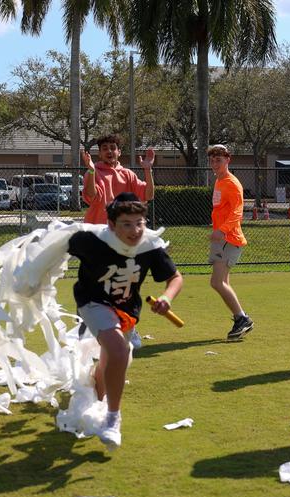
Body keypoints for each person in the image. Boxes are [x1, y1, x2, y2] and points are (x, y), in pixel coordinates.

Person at [67, 192, 183, 450]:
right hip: (93, 303)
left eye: (139, 223)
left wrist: (167, 297)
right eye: (126, 224)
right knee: (119, 350)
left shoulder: (150, 245)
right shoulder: (92, 241)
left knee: (112, 360)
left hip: (127, 311)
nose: (135, 230)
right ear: (111, 225)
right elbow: (56, 245)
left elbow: (175, 277)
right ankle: (113, 419)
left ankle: (98, 404)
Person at [81, 133, 156, 349]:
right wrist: (91, 171)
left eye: (112, 147)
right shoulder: (93, 172)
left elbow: (148, 194)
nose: (109, 151)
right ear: (100, 153)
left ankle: (128, 330)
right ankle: (99, 332)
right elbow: (91, 196)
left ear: (119, 151)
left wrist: (148, 170)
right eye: (105, 148)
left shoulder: (128, 175)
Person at [207, 144, 253, 340]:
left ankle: (242, 318)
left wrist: (222, 230)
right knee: (222, 282)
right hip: (222, 239)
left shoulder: (232, 183)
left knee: (216, 282)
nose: (215, 163)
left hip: (229, 238)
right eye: (212, 160)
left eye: (219, 160)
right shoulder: (219, 181)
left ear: (228, 160)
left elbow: (237, 212)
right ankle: (240, 319)